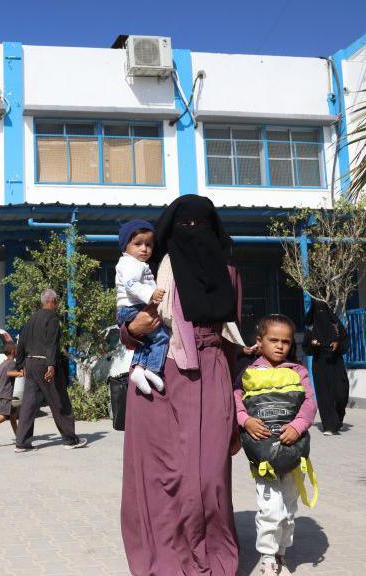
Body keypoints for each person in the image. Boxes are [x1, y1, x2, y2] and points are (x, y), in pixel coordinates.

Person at [119, 195, 246, 576]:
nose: (193, 234)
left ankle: (211, 557)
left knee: (209, 479)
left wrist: (237, 409)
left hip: (211, 375)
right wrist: (131, 329)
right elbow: (129, 325)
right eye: (184, 226)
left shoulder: (228, 272)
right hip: (158, 379)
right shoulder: (151, 269)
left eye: (201, 226)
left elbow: (233, 338)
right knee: (161, 477)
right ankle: (164, 561)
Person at [236, 315, 317, 576]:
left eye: (286, 341)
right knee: (270, 508)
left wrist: (297, 426)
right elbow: (235, 401)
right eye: (273, 340)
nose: (280, 346)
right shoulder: (248, 374)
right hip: (263, 458)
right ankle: (268, 558)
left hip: (294, 454)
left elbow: (309, 403)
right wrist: (246, 420)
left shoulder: (298, 371)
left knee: (289, 509)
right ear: (259, 342)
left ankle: (282, 552)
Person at [13, 289, 88, 452]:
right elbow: (51, 343)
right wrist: (51, 364)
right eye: (57, 300)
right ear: (52, 301)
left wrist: (19, 365)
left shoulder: (31, 318)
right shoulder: (53, 317)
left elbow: (21, 342)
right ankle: (70, 439)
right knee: (60, 400)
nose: (58, 303)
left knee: (29, 404)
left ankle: (22, 443)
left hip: (30, 364)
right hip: (45, 364)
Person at [114, 219, 169, 394]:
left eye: (148, 244)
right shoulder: (131, 264)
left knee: (146, 340)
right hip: (132, 308)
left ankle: (138, 369)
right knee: (161, 336)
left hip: (129, 309)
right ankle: (152, 369)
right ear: (125, 247)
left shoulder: (134, 263)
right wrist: (151, 295)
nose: (144, 249)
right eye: (138, 244)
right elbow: (131, 285)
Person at [304, 300, 349, 436]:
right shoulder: (311, 328)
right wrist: (312, 344)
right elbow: (306, 348)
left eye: (323, 311)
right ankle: (329, 426)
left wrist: (337, 344)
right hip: (320, 364)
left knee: (341, 393)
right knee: (324, 395)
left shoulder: (336, 325)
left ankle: (338, 417)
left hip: (336, 363)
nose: (321, 315)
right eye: (318, 312)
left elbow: (345, 341)